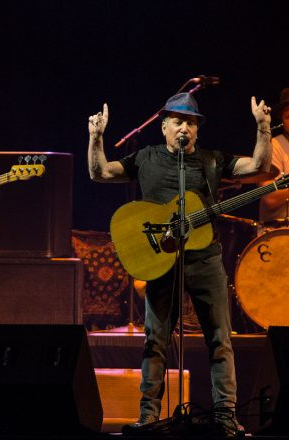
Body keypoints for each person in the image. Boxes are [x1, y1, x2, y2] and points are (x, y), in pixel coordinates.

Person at [87, 92, 272, 437]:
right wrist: (96, 138)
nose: (184, 127)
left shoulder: (212, 160)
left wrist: (263, 129)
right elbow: (100, 173)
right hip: (161, 262)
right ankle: (149, 417)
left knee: (220, 339)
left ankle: (225, 417)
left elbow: (260, 169)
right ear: (164, 127)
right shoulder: (145, 157)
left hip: (206, 261)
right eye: (177, 121)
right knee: (155, 340)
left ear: (197, 130)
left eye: (191, 122)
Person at [259, 87, 289, 224]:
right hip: (276, 234)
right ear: (282, 119)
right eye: (288, 117)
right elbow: (270, 197)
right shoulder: (273, 146)